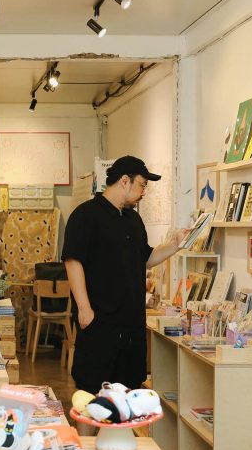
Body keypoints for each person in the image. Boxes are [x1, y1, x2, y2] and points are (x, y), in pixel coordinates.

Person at [62, 156, 187, 396]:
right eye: (142, 185)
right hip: (100, 323)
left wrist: (175, 245)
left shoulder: (133, 219)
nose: (144, 192)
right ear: (124, 181)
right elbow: (73, 261)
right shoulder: (85, 215)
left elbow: (146, 258)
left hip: (131, 326)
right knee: (93, 394)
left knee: (130, 392)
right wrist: (84, 309)